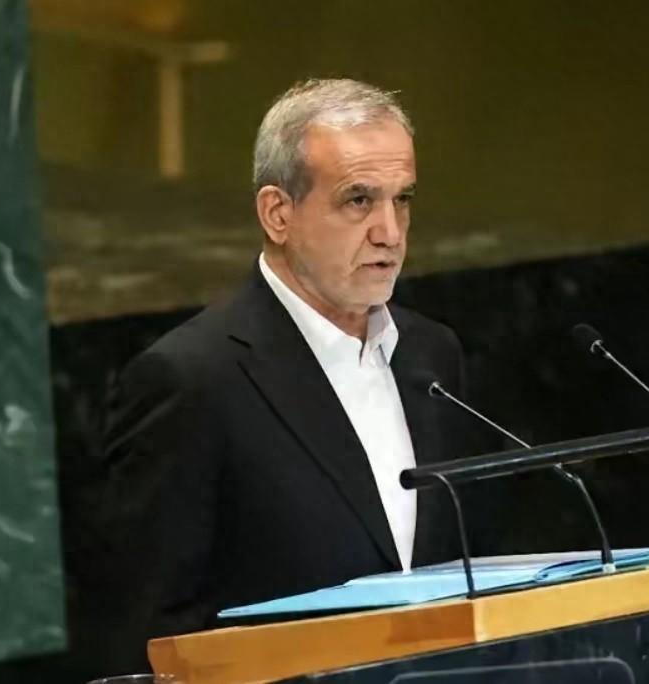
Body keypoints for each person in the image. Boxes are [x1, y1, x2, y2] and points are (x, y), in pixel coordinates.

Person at [96, 78, 485, 670]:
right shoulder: (192, 379)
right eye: (359, 201)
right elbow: (153, 633)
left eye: (402, 199)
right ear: (278, 213)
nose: (390, 232)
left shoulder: (431, 354)